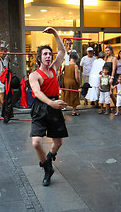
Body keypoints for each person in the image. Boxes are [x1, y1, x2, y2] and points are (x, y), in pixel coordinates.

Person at [29, 27, 68, 187]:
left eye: (49, 54)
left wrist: (55, 33)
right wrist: (51, 103)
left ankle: (49, 157)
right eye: (44, 54)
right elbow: (37, 93)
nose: (48, 56)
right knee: (36, 142)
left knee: (58, 143)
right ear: (39, 58)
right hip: (41, 108)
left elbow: (62, 51)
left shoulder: (53, 68)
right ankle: (47, 168)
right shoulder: (34, 75)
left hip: (54, 108)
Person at [61, 50, 80, 116]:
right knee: (74, 95)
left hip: (65, 81)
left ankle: (63, 107)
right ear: (76, 58)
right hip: (72, 82)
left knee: (65, 95)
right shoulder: (75, 66)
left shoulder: (66, 64)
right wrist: (79, 84)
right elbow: (76, 77)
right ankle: (73, 111)